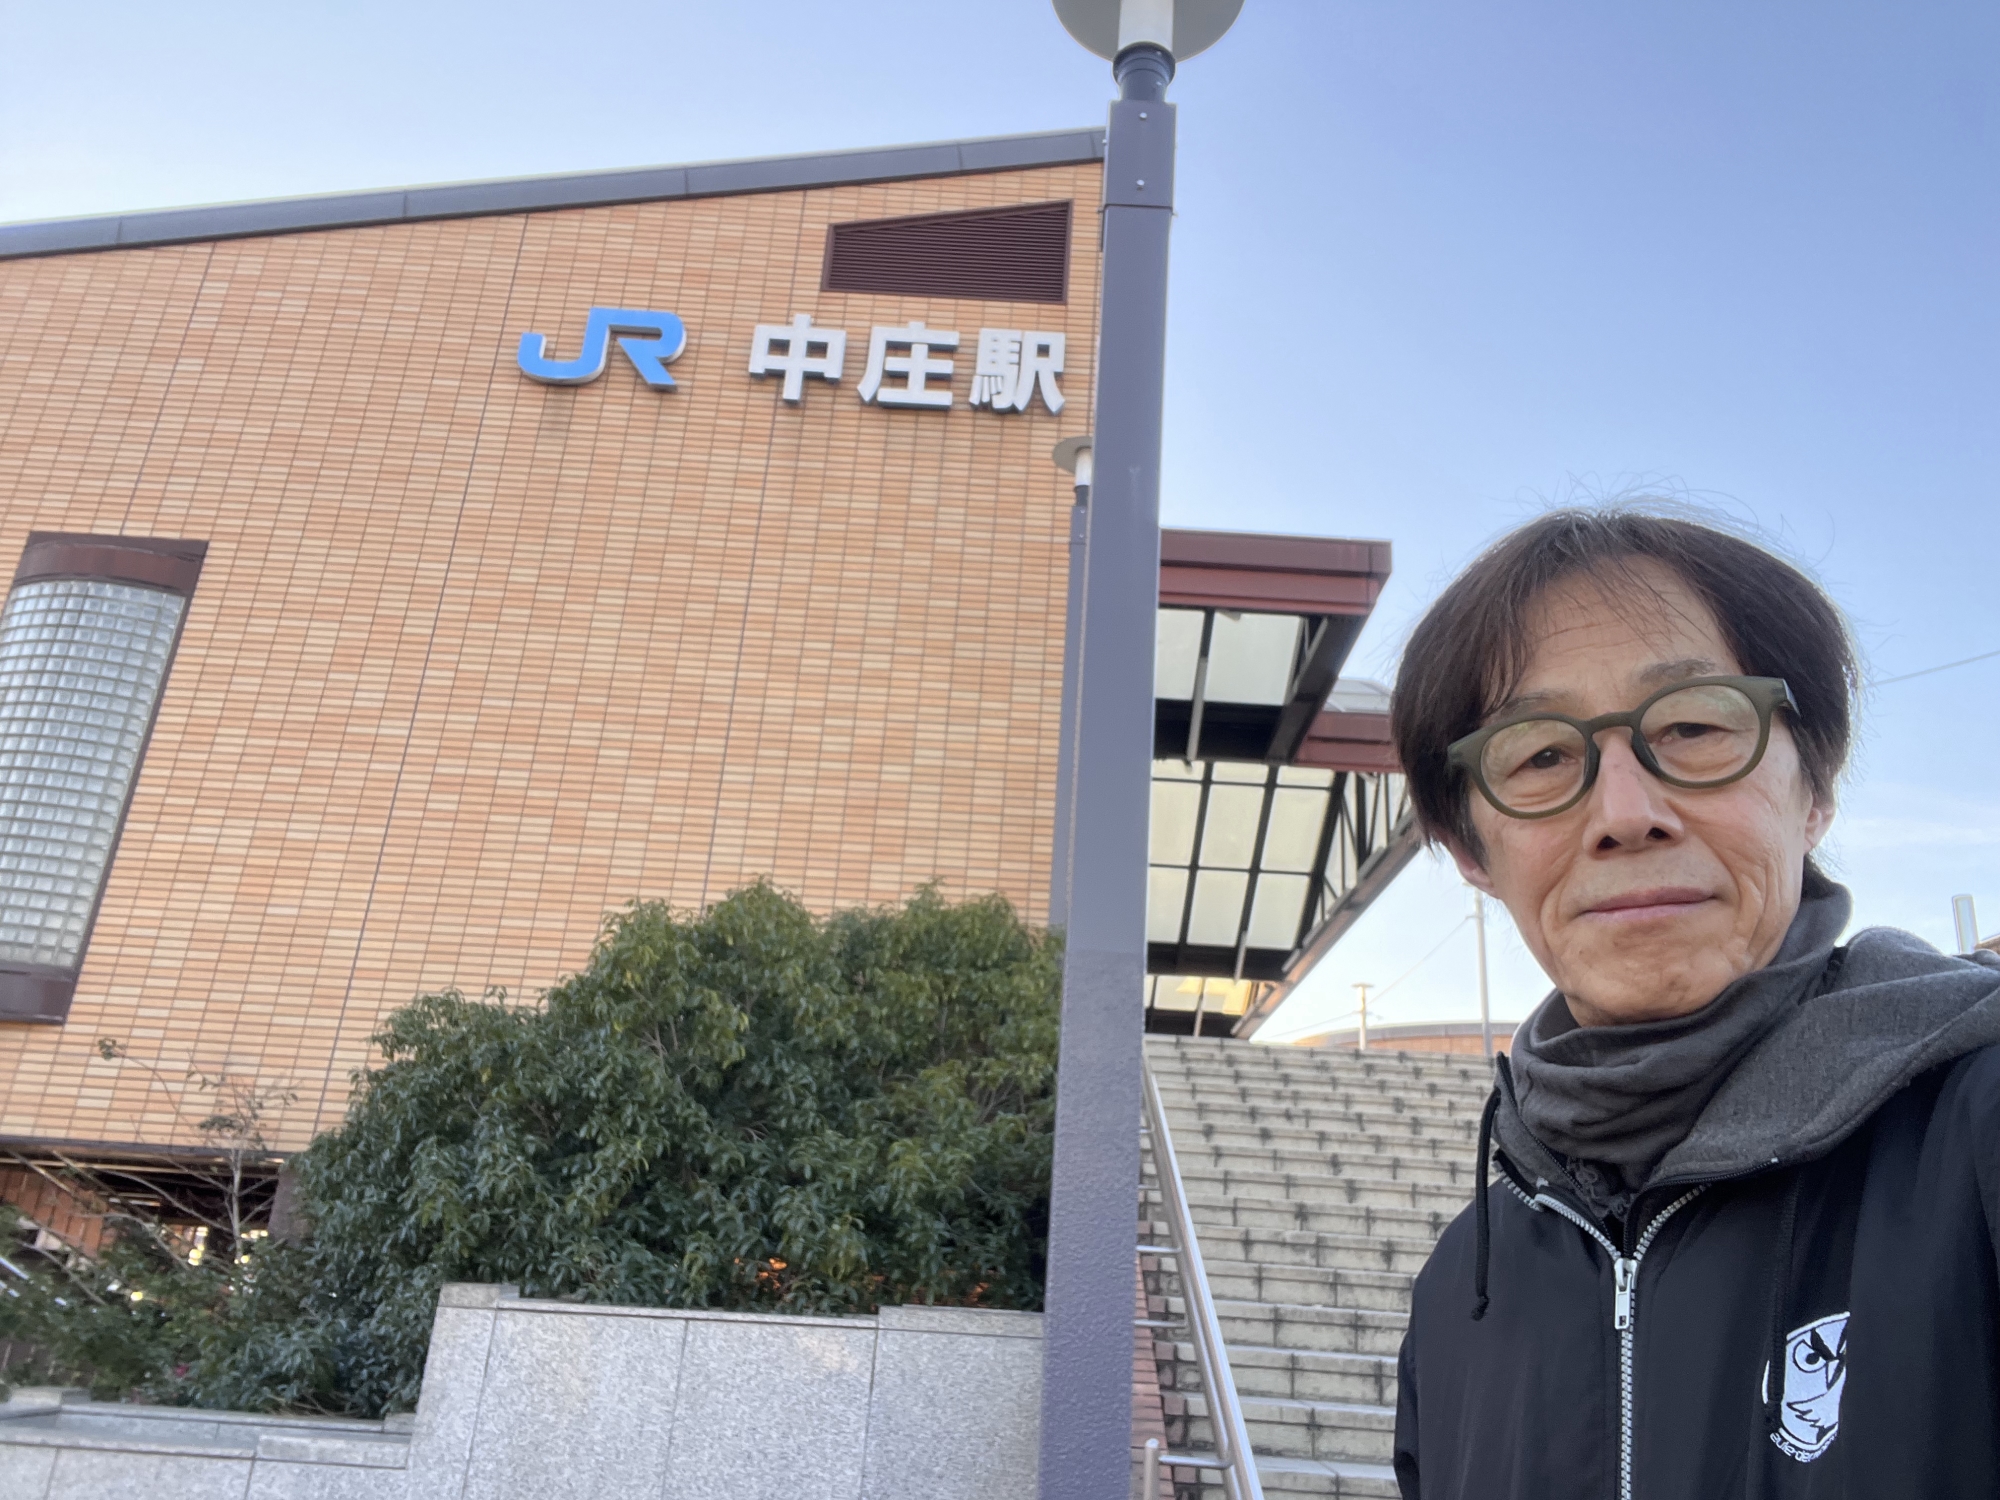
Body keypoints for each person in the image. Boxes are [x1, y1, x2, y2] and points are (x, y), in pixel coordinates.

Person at [1386, 507, 2000, 1499]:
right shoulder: (1462, 1290)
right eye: (1539, 756)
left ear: (1814, 792)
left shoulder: (1973, 1139)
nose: (1626, 814)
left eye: (1693, 727)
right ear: (1470, 852)